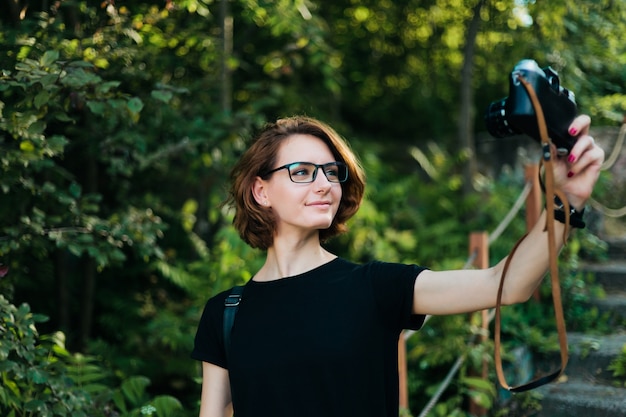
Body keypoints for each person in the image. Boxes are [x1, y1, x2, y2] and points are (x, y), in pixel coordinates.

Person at [191, 115, 604, 417]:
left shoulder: (375, 287)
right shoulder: (226, 313)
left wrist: (566, 204)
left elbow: (507, 282)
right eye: (301, 172)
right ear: (260, 190)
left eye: (332, 172)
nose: (324, 184)